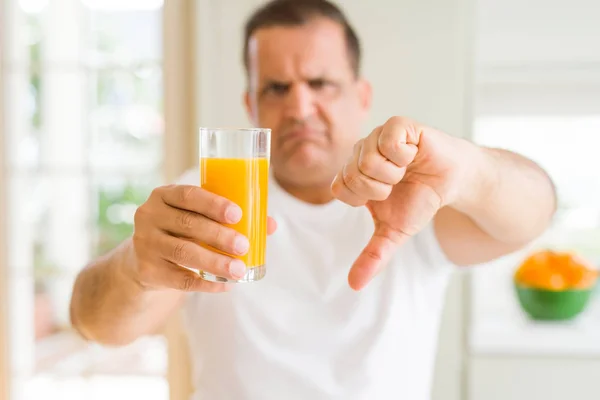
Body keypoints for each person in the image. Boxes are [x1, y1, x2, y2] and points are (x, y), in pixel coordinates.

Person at [69, 0, 557, 399]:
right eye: (277, 88)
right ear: (250, 105)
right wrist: (137, 264)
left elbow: (535, 213)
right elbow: (96, 324)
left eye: (321, 84)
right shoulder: (207, 195)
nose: (300, 108)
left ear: (361, 96)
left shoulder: (417, 192)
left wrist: (470, 169)